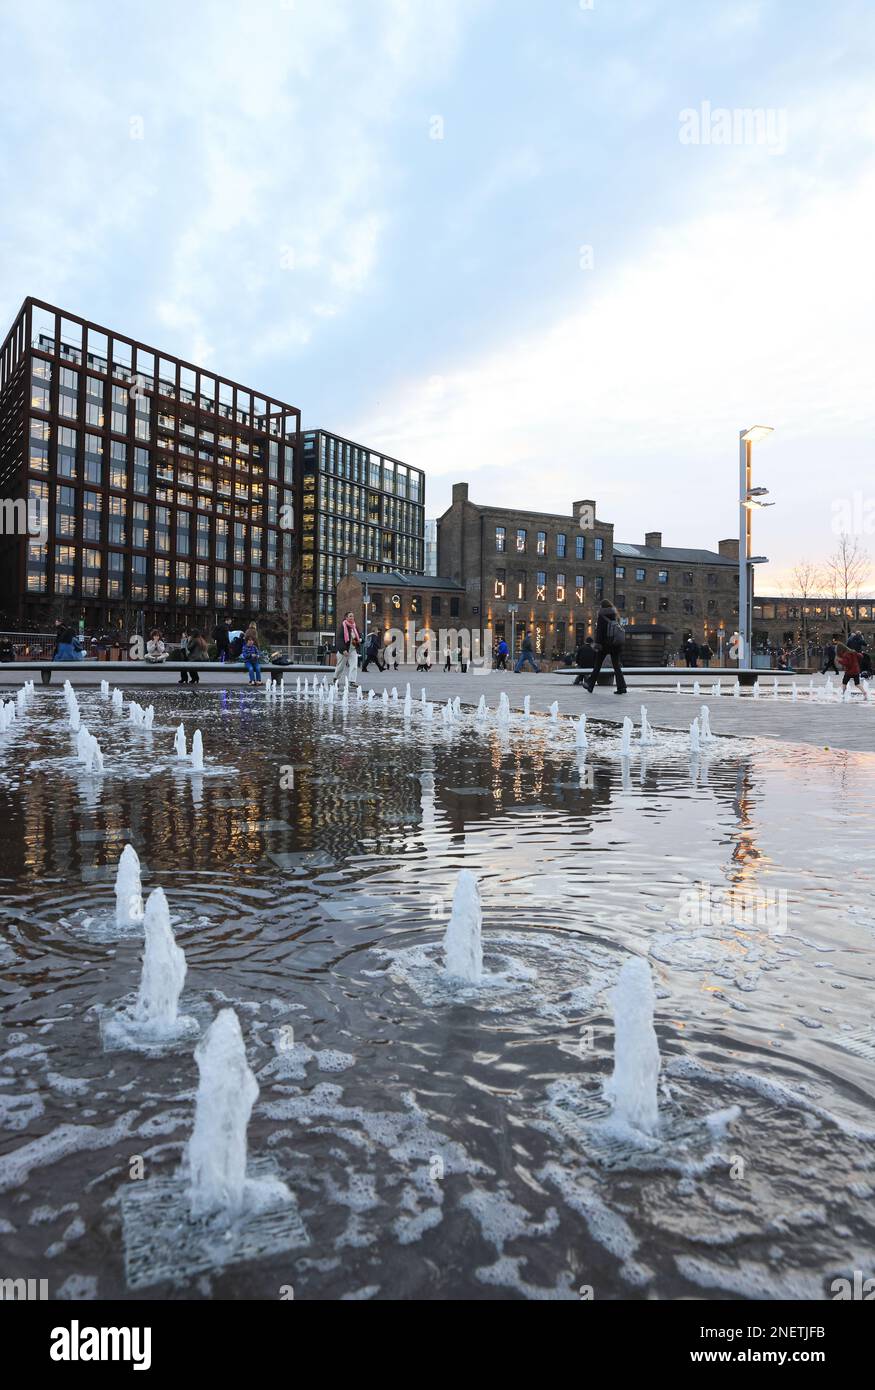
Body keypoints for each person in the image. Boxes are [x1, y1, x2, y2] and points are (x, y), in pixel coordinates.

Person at [584, 599, 628, 695]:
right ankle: (622, 687)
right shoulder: (614, 615)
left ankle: (590, 685)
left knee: (597, 666)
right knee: (617, 667)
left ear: (602, 607)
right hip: (615, 645)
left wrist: (597, 645)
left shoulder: (601, 616)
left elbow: (600, 632)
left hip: (604, 645)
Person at [334, 611, 361, 685]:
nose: (352, 618)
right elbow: (339, 639)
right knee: (340, 667)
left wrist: (361, 640)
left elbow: (358, 636)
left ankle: (352, 681)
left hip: (353, 649)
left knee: (354, 666)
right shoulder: (343, 627)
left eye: (353, 616)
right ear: (346, 618)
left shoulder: (355, 627)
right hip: (344, 650)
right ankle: (335, 679)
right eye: (350, 616)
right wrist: (343, 650)